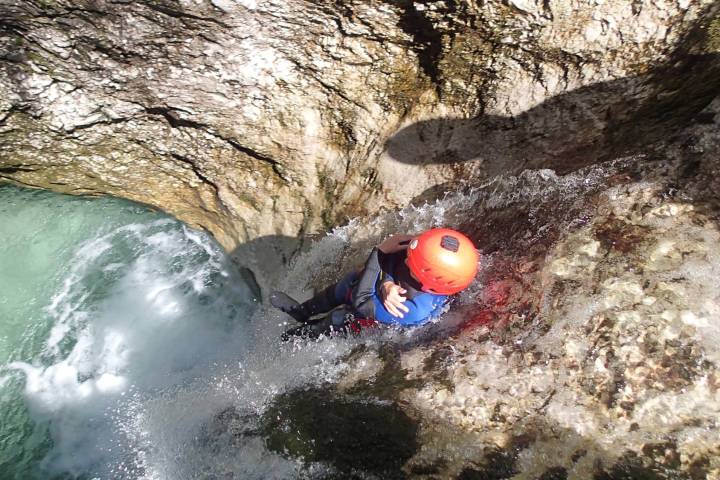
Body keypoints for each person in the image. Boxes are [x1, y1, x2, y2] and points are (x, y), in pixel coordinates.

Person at [270, 228, 479, 339]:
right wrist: (386, 283)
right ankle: (303, 312)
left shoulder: (414, 310)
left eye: (411, 263)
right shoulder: (429, 254)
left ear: (428, 284)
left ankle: (298, 337)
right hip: (371, 293)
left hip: (367, 316)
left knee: (339, 318)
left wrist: (378, 252)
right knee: (350, 281)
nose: (406, 259)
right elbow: (396, 251)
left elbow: (362, 303)